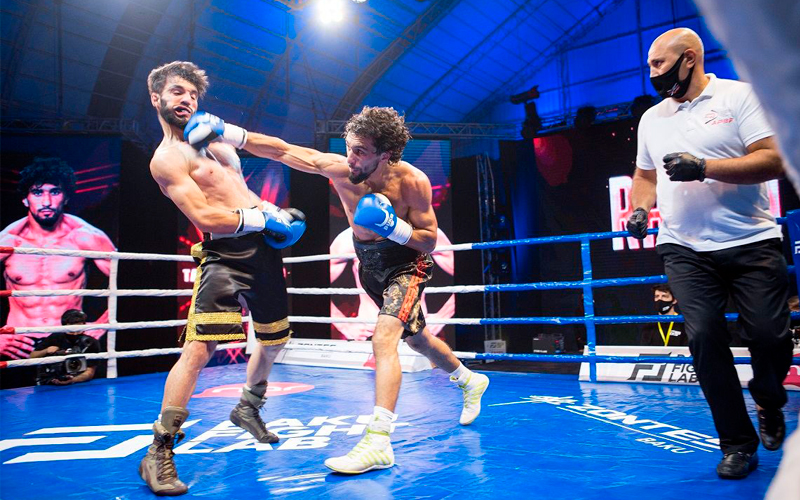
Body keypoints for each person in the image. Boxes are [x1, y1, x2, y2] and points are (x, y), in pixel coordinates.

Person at [183, 105, 490, 474]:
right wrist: (227, 131)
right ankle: (469, 379)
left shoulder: (413, 182)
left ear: (385, 154)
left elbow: (428, 240)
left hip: (406, 267)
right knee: (418, 339)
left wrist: (393, 227)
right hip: (369, 266)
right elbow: (283, 151)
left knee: (384, 338)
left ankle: (378, 442)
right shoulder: (343, 171)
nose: (351, 158)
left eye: (360, 151)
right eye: (349, 148)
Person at [626, 28, 794, 479]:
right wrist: (640, 207)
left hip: (751, 239)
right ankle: (737, 443)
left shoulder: (740, 97)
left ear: (689, 58)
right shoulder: (652, 118)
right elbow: (644, 175)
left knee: (770, 336)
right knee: (703, 337)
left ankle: (768, 399)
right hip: (684, 247)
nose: (652, 74)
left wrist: (704, 167)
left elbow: (774, 159)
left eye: (658, 64)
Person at [139, 61, 307, 495]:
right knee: (200, 349)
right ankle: (159, 450)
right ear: (156, 98)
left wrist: (273, 213)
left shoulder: (214, 140)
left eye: (193, 94)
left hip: (263, 250)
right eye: (178, 92)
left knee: (275, 339)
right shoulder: (167, 158)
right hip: (225, 255)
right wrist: (262, 219)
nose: (187, 100)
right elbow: (205, 215)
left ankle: (248, 407)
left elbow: (244, 187)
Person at [0, 158, 115, 359]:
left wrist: (102, 324)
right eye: (37, 193)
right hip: (19, 342)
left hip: (70, 340)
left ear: (66, 197)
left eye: (55, 192)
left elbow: (129, 279)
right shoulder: (8, 241)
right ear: (25, 199)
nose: (46, 202)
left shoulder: (85, 236)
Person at [30, 309, 100, 386]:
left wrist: (72, 380)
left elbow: (90, 372)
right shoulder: (56, 337)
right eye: (71, 330)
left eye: (78, 330)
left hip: (79, 383)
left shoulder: (90, 343)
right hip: (52, 381)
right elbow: (32, 356)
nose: (75, 334)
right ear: (64, 327)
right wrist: (46, 351)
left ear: (84, 326)